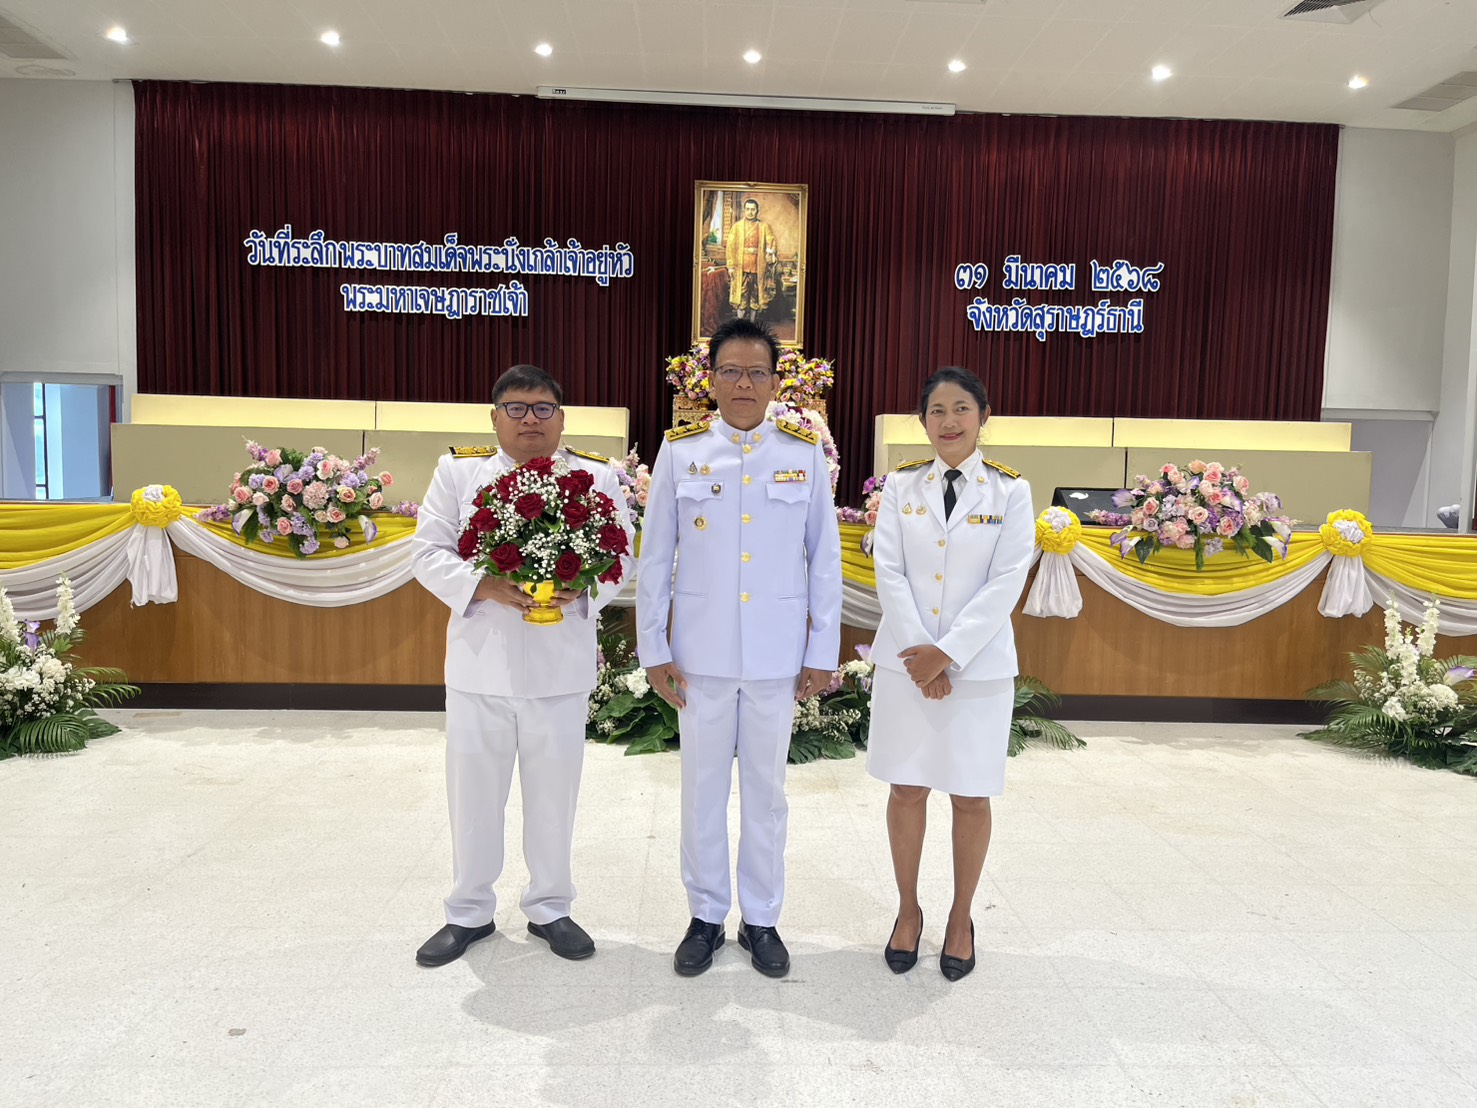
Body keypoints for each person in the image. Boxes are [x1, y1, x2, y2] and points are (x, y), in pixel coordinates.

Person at [411, 364, 636, 968]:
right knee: (473, 794)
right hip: (480, 665)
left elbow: (623, 558)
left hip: (559, 667)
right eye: (516, 408)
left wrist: (581, 589)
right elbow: (425, 552)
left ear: (562, 418)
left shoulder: (597, 476)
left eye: (543, 408)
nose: (530, 419)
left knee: (554, 795)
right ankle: (468, 911)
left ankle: (551, 907)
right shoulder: (458, 472)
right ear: (494, 417)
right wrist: (480, 584)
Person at [638, 318, 842, 978]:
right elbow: (655, 556)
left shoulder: (803, 452)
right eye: (730, 370)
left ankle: (761, 919)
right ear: (711, 378)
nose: (744, 383)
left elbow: (824, 561)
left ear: (777, 382)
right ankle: (703, 916)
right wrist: (652, 647)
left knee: (767, 792)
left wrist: (820, 651)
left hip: (777, 657)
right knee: (700, 791)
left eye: (757, 371)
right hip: (698, 656)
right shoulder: (682, 450)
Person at [866, 367, 1034, 982]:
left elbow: (1006, 581)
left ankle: (960, 917)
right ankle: (908, 910)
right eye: (937, 411)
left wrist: (949, 654)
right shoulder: (902, 486)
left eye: (961, 409)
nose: (950, 422)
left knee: (970, 795)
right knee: (907, 789)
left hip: (979, 671)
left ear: (983, 415)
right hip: (907, 667)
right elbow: (890, 571)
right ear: (923, 421)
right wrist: (921, 653)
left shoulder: (1012, 492)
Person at [725, 198, 778, 322]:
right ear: (744, 210)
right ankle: (740, 324)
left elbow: (771, 242)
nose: (750, 212)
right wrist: (731, 266)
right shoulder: (737, 227)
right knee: (742, 296)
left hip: (758, 267)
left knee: (755, 295)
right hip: (741, 267)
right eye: (748, 209)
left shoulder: (764, 227)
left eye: (753, 209)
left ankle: (752, 324)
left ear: (757, 211)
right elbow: (730, 248)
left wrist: (770, 252)